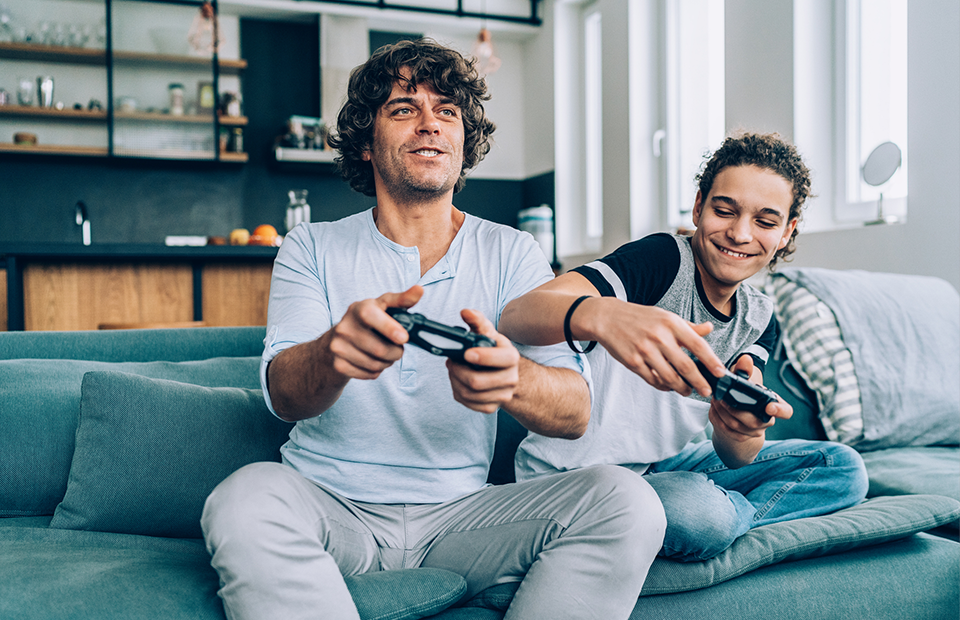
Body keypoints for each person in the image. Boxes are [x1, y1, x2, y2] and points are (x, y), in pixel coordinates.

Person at [201, 39, 665, 620]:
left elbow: (574, 413)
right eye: (403, 109)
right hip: (331, 503)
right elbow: (283, 395)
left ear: (463, 138)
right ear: (367, 143)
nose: (430, 124)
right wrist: (334, 355)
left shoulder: (514, 251)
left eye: (447, 111)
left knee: (627, 501)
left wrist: (512, 380)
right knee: (242, 498)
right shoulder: (311, 247)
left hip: (461, 516)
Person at [500, 132, 868, 562]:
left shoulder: (760, 318)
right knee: (702, 514)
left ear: (786, 233)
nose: (740, 233)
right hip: (575, 478)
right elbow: (518, 314)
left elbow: (738, 457)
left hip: (666, 467)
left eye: (766, 222)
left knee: (842, 468)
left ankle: (723, 521)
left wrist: (741, 430)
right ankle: (709, 521)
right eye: (724, 210)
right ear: (698, 207)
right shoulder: (663, 261)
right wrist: (606, 315)